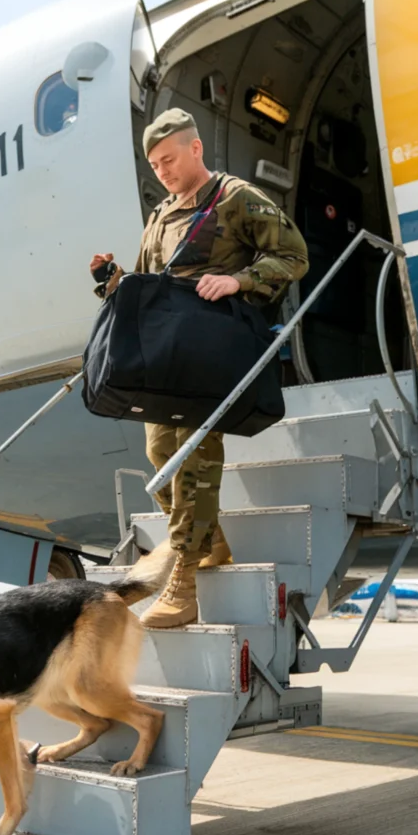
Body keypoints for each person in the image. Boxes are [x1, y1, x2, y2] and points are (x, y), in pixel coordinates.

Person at [90, 109, 309, 629]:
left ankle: (183, 583)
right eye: (154, 164)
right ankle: (209, 542)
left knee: (192, 457)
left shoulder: (235, 197)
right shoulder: (161, 215)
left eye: (168, 159)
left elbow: (294, 256)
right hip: (168, 354)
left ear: (195, 150)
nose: (161, 171)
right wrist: (110, 279)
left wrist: (241, 281)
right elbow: (147, 283)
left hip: (209, 353)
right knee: (158, 452)